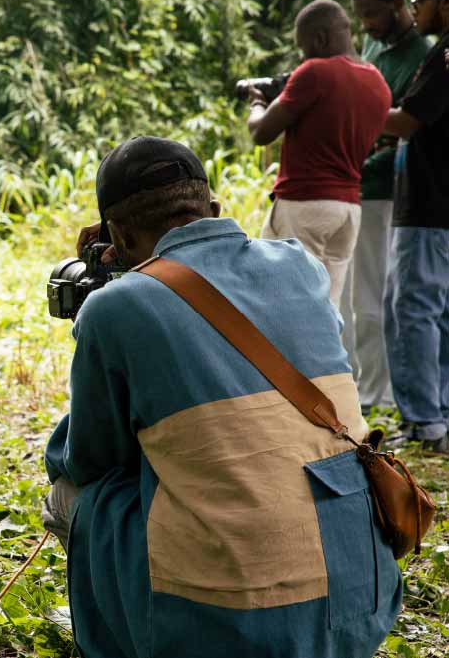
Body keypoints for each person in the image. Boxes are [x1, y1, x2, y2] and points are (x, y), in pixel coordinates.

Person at [45, 136, 400, 658]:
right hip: (360, 604)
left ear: (116, 235)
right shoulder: (302, 266)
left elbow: (91, 460)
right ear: (213, 209)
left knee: (70, 496)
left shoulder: (115, 309)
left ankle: (121, 638)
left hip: (227, 633)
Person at [246, 0, 391, 308]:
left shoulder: (315, 72)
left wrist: (257, 102)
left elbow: (261, 132)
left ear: (320, 38)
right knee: (326, 310)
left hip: (305, 205)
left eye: (304, 48)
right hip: (348, 210)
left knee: (279, 304)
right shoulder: (378, 83)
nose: (303, 57)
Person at [344, 0, 432, 412]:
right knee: (355, 298)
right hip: (354, 182)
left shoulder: (424, 54)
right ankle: (363, 385)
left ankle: (379, 394)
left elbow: (404, 130)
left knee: (377, 298)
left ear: (400, 4)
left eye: (374, 13)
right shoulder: (374, 45)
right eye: (360, 16)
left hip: (385, 187)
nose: (367, 24)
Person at [380, 0, 449, 452]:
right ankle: (438, 414)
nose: (415, 7)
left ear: (445, 1)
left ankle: (426, 422)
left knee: (412, 310)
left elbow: (408, 120)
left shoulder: (442, 55)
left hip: (428, 204)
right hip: (438, 205)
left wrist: (349, 108)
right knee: (436, 312)